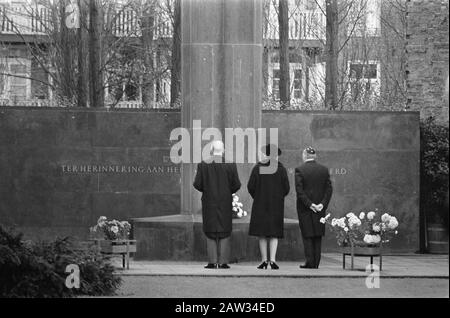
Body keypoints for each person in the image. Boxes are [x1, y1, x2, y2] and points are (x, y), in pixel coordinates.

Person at [193, 140, 241, 269]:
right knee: (225, 230)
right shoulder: (231, 165)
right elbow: (236, 185)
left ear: (211, 150)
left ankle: (212, 262)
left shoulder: (203, 165)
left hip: (209, 202)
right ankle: (223, 262)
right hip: (225, 202)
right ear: (223, 150)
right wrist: (227, 191)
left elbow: (197, 184)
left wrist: (208, 190)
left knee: (210, 230)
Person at [248, 144, 290, 270]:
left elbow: (251, 186)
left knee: (262, 233)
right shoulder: (281, 169)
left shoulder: (257, 168)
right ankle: (273, 260)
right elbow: (286, 188)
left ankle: (264, 260)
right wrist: (278, 197)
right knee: (274, 233)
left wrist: (258, 196)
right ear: (276, 155)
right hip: (276, 205)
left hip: (260, 205)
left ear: (265, 154)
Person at [295, 147, 332, 269]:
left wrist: (310, 205)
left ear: (305, 155)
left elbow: (300, 192)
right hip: (320, 209)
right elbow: (329, 189)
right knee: (317, 235)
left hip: (305, 209)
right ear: (315, 156)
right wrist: (322, 204)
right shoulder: (324, 170)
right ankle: (316, 262)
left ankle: (310, 262)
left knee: (307, 235)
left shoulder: (300, 170)